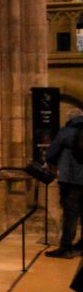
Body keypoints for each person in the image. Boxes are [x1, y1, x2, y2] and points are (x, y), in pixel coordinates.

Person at [43, 108, 83, 258]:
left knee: (70, 214)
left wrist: (49, 162)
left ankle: (66, 248)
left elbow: (52, 152)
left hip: (70, 179)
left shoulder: (66, 132)